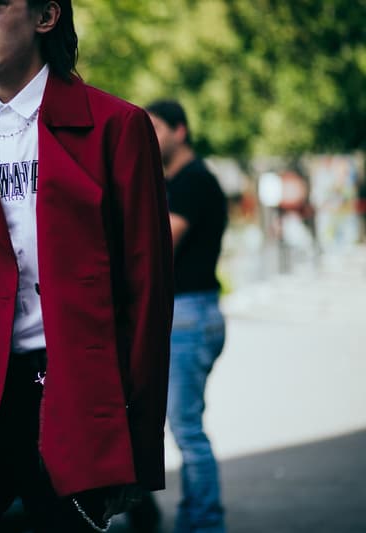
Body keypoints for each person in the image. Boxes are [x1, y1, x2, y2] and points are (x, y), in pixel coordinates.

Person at [0, 2, 174, 532]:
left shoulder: (118, 128)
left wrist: (134, 448)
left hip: (71, 401)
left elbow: (148, 300)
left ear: (46, 16)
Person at [146, 99, 228, 533]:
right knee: (175, 426)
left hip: (190, 314)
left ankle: (204, 524)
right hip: (188, 314)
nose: (150, 138)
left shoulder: (194, 181)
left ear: (181, 131)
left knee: (187, 430)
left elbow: (161, 243)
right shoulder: (174, 181)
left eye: (156, 128)